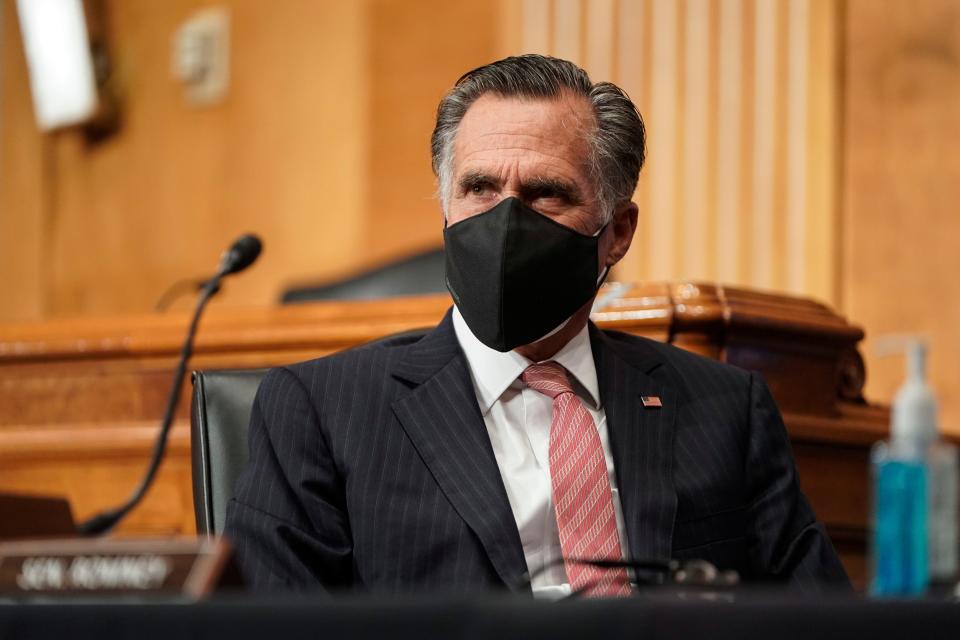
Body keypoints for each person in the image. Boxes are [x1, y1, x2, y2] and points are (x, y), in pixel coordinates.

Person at [224, 54, 849, 596]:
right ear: (446, 208)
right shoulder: (323, 409)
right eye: (479, 188)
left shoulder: (724, 408)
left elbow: (821, 622)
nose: (503, 224)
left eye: (547, 193)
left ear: (618, 233)